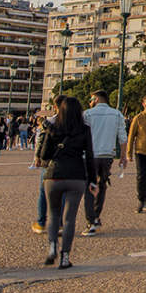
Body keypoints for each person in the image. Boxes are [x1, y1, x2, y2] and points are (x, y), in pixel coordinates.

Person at [38, 97, 98, 269]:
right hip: (76, 176)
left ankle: (52, 247)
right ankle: (65, 256)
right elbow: (90, 157)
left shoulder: (52, 128)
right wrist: (93, 181)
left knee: (53, 214)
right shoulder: (84, 130)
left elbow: (44, 155)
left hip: (54, 175)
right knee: (69, 218)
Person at [81, 90, 128, 236]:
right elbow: (122, 136)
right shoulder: (117, 114)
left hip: (91, 155)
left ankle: (90, 221)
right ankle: (96, 216)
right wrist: (123, 156)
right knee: (102, 184)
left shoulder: (88, 114)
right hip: (108, 154)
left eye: (91, 99)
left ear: (95, 100)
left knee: (90, 186)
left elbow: (82, 134)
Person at [31, 98, 63, 235]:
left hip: (48, 160)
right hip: (64, 160)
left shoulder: (48, 122)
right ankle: (60, 224)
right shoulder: (74, 123)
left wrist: (37, 156)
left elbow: (41, 140)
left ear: (55, 107)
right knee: (62, 192)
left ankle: (41, 223)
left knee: (44, 191)